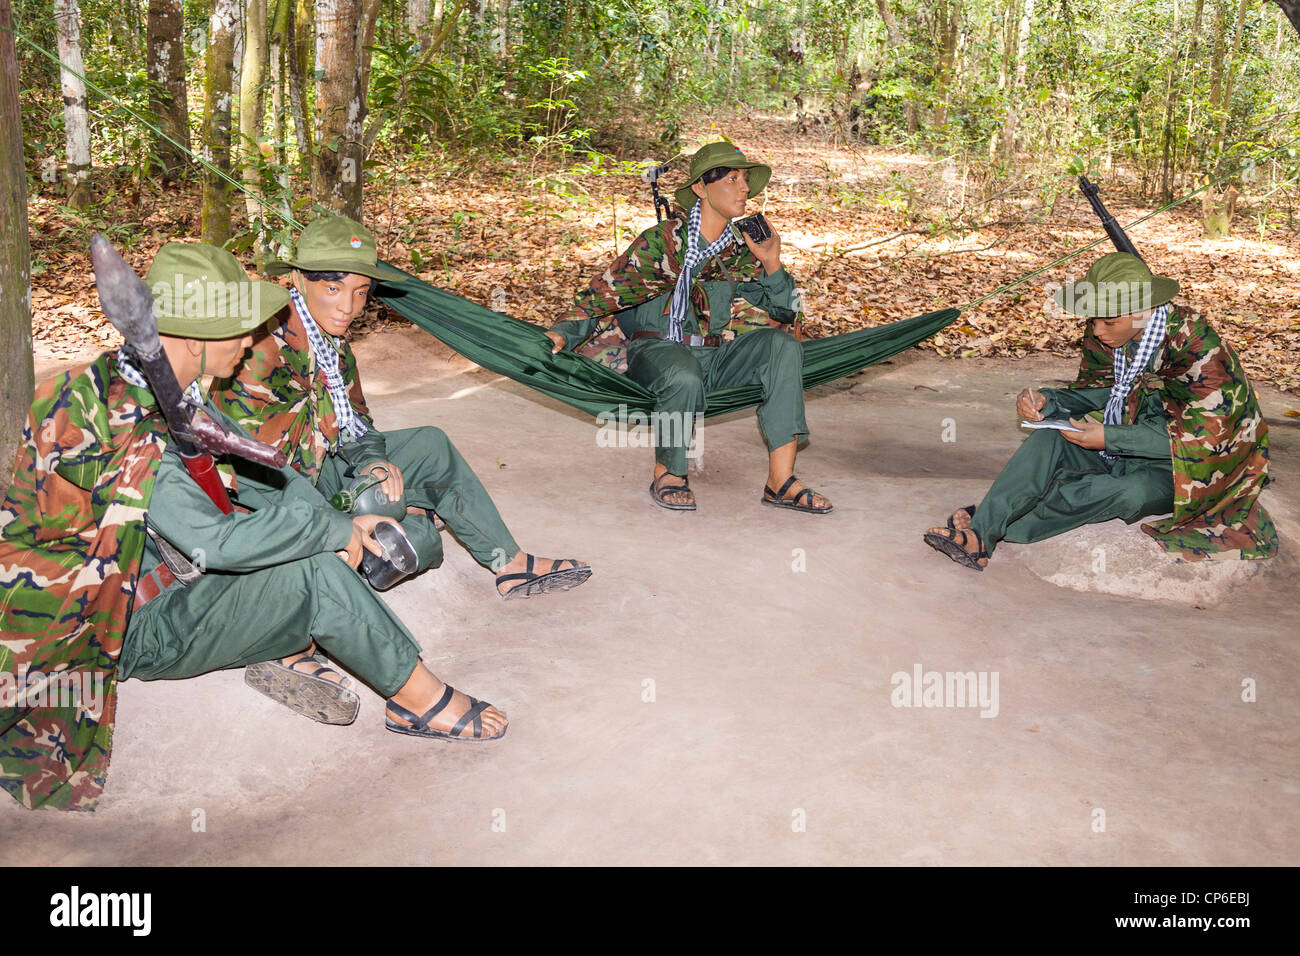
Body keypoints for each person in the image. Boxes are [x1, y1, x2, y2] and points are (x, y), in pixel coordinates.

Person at [0, 243, 507, 812]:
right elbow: (213, 544)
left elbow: (268, 467)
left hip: (179, 579)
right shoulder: (131, 426)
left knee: (359, 538)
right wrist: (328, 534)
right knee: (311, 569)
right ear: (195, 340)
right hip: (129, 626)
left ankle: (280, 644)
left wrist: (336, 518)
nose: (250, 340)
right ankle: (415, 699)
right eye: (239, 330)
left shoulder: (162, 388)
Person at [214, 215, 591, 599]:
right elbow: (258, 477)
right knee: (420, 540)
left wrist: (370, 461)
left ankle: (509, 564)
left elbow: (355, 420)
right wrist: (344, 522)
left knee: (429, 445)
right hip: (273, 497)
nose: (348, 307)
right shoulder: (259, 348)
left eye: (361, 292)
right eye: (333, 287)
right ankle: (366, 541)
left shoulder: (329, 338)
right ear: (297, 279)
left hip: (317, 465)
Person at [923, 252, 1277, 570]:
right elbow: (1099, 390)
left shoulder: (1198, 347)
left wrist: (1108, 437)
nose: (1097, 331)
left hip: (1183, 467)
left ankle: (997, 525)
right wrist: (1048, 400)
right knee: (1049, 442)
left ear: (1142, 311)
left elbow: (1208, 438)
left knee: (1127, 494)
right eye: (1093, 320)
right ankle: (983, 532)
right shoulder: (1108, 333)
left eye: (1107, 322)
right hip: (1120, 440)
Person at [545, 141, 832, 514]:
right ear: (701, 187)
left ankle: (781, 481)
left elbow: (785, 311)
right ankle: (669, 472)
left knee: (783, 347)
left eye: (745, 179)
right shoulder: (661, 242)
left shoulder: (741, 251)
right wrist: (562, 334)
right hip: (658, 352)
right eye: (732, 178)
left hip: (717, 354)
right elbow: (605, 295)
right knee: (683, 374)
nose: (745, 188)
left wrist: (772, 263)